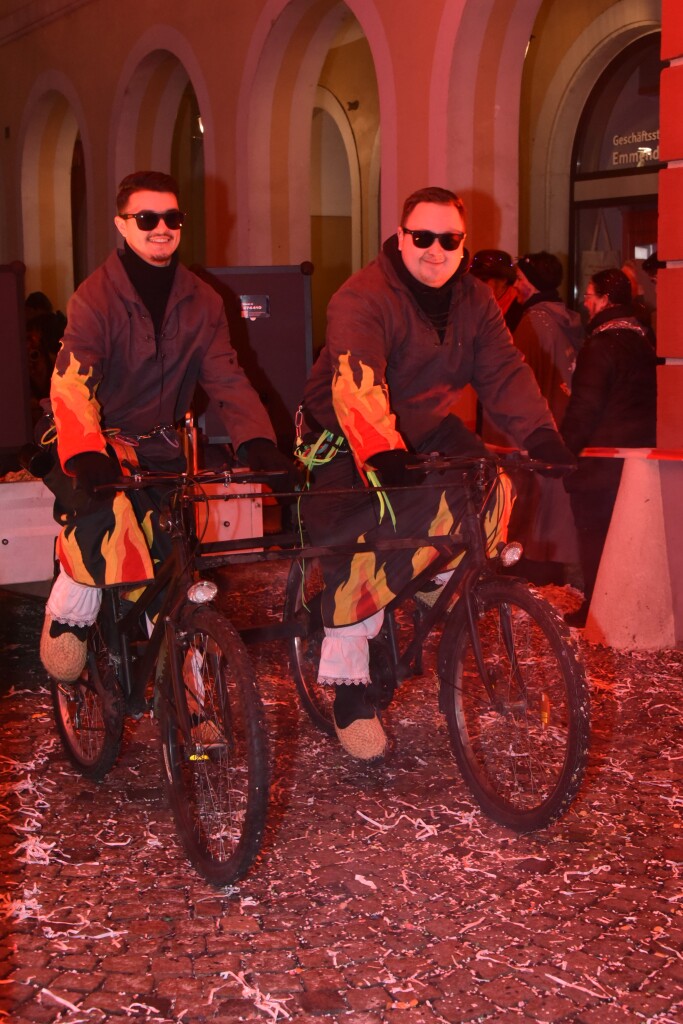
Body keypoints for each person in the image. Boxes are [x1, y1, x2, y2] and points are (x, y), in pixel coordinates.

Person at [298, 186, 574, 762]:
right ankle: (350, 690)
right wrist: (378, 449)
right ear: (402, 238)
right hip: (345, 434)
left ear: (463, 245)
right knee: (367, 544)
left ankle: (435, 576)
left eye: (448, 239)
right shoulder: (363, 296)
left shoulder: (474, 300)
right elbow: (357, 378)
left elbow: (503, 371)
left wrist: (542, 435)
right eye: (422, 237)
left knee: (490, 481)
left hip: (423, 427)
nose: (434, 249)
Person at [40, 170, 295, 681]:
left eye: (171, 217)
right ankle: (67, 616)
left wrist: (258, 441)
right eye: (146, 217)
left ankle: (191, 692)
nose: (161, 227)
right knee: (104, 523)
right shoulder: (95, 297)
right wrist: (86, 448)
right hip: (97, 439)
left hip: (161, 446)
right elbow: (73, 379)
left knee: (175, 562)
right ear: (122, 224)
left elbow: (225, 374)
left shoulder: (202, 300)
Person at [561, 268, 658, 627]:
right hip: (638, 460)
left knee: (595, 537)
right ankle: (629, 607)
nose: (585, 304)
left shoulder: (600, 346)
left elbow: (584, 409)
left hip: (599, 462)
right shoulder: (644, 341)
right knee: (630, 539)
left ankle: (598, 610)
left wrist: (563, 451)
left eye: (588, 296)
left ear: (604, 300)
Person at [506, 251, 583, 584]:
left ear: (533, 283)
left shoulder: (532, 321)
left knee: (533, 504)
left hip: (537, 426)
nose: (517, 287)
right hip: (565, 423)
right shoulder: (569, 318)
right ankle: (554, 566)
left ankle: (533, 567)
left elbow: (515, 379)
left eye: (521, 281)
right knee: (555, 506)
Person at [469, 249, 522, 332]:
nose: (477, 285)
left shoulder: (519, 310)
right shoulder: (471, 303)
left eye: (484, 280)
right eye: (474, 280)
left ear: (503, 280)